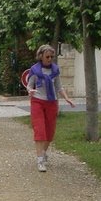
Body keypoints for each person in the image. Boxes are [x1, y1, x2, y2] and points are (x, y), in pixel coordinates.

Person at [27, 44, 75, 172]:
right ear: (41, 56)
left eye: (51, 57)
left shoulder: (55, 70)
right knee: (40, 130)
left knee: (49, 132)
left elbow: (59, 87)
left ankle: (42, 152)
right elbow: (29, 85)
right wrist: (30, 90)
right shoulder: (35, 70)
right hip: (37, 101)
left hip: (52, 103)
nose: (49, 59)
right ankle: (40, 161)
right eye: (47, 56)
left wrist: (66, 98)